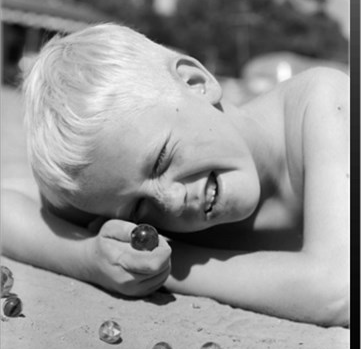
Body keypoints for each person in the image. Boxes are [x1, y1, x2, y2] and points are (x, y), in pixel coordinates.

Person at [1, 23, 349, 327]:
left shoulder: (325, 104)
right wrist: (90, 259)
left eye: (162, 159)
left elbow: (340, 290)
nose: (170, 200)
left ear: (196, 82)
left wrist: (174, 266)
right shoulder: (124, 184)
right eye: (138, 209)